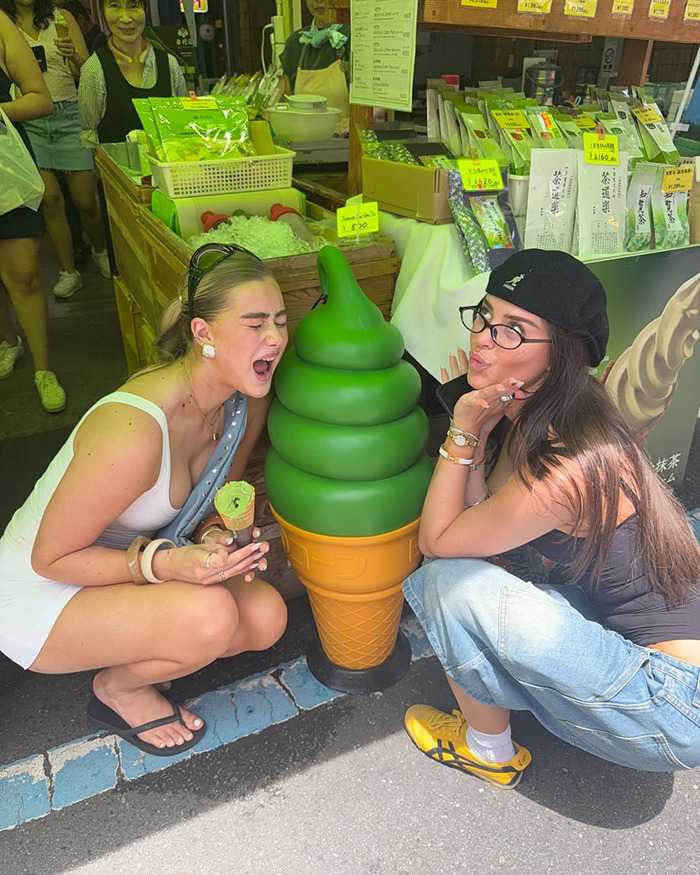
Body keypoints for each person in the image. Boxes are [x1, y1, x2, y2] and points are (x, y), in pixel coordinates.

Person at [402, 249, 700, 787]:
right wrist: (483, 430)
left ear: (559, 351)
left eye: (514, 330)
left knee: (444, 582)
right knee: (490, 572)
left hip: (673, 703)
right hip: (644, 651)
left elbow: (440, 540)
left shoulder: (567, 464)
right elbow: (476, 522)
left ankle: (486, 749)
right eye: (486, 316)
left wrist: (462, 428)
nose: (484, 339)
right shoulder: (555, 414)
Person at [0, 243, 289, 755]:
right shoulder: (135, 429)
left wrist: (216, 538)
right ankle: (119, 688)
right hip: (39, 591)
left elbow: (208, 507)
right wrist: (170, 564)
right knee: (211, 619)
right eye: (255, 323)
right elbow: (51, 559)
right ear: (204, 334)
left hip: (126, 565)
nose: (275, 339)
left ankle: (153, 644)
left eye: (281, 321)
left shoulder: (242, 405)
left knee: (266, 616)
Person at [3, 0, 110, 299]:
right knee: (49, 200)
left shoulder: (61, 18)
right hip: (28, 119)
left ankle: (99, 248)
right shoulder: (4, 23)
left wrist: (74, 56)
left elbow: (88, 71)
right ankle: (69, 271)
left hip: (68, 115)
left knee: (85, 199)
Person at [0, 8, 66, 410]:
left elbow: (41, 99)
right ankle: (8, 343)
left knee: (23, 273)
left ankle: (44, 369)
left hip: (6, 168)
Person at [78, 0, 186, 148]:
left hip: (168, 168)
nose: (126, 18)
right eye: (115, 6)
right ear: (103, 12)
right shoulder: (94, 69)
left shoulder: (169, 64)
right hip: (118, 169)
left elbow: (183, 126)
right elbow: (90, 136)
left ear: (144, 10)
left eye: (133, 6)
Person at [280, 0, 350, 132]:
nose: (319, 1)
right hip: (304, 141)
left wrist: (356, 122)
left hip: (346, 142)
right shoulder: (295, 43)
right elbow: (288, 101)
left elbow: (379, 99)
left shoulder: (357, 36)